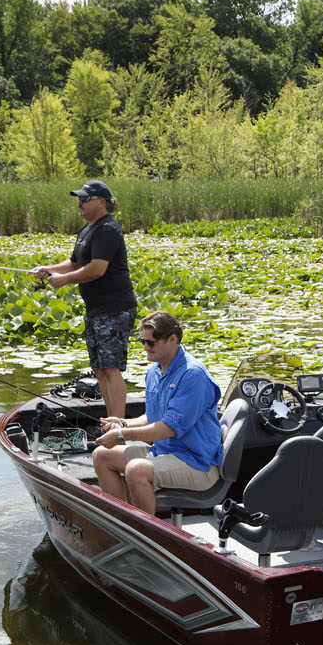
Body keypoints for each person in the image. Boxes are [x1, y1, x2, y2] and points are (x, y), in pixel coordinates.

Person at [93, 310, 224, 514]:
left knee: (136, 469)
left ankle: (145, 536)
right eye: (142, 341)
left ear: (172, 339)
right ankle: (121, 523)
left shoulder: (193, 375)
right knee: (102, 455)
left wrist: (121, 435)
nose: (145, 347)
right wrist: (123, 422)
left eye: (151, 343)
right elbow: (153, 416)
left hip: (197, 464)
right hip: (163, 452)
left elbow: (168, 428)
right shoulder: (155, 370)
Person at [32, 180, 136, 418]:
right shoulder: (88, 229)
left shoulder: (107, 229)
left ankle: (117, 426)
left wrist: (65, 280)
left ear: (101, 202)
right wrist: (47, 269)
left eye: (84, 199)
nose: (79, 203)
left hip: (114, 308)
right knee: (100, 370)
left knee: (111, 369)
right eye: (78, 198)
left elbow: (97, 269)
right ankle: (110, 422)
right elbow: (75, 263)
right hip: (96, 309)